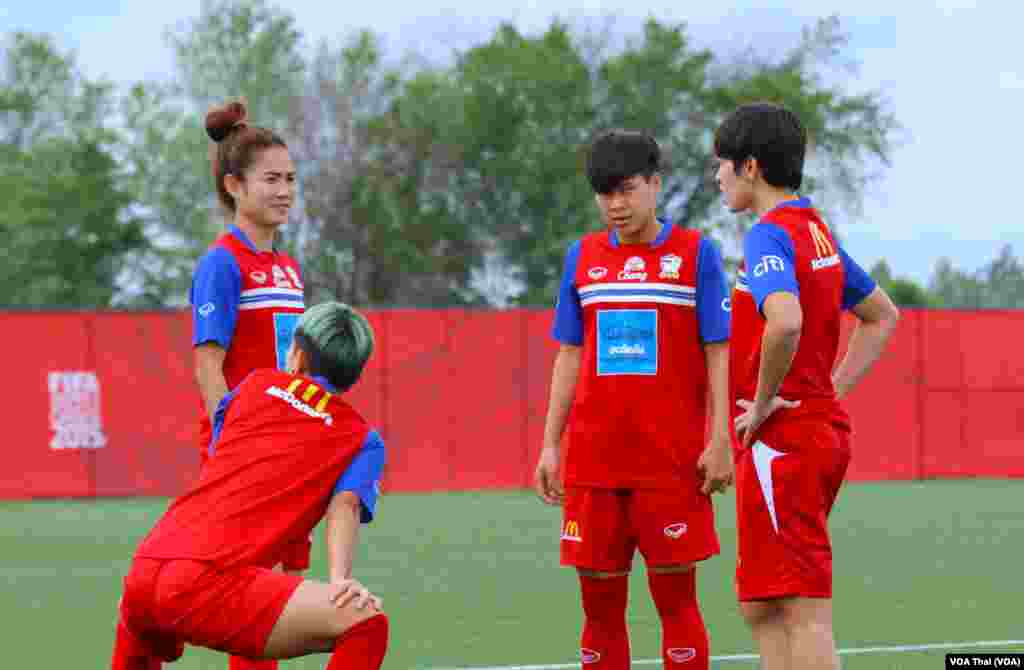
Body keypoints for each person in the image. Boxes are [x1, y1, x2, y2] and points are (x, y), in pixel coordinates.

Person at [535, 129, 734, 670]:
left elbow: (719, 350)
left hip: (670, 465)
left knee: (677, 604)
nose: (615, 205)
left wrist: (720, 438)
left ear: (655, 184)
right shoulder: (582, 256)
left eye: (626, 190)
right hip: (593, 465)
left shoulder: (696, 253)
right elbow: (569, 353)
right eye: (605, 193)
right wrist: (550, 444)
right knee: (599, 612)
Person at [714, 102, 900, 670]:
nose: (716, 176)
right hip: (809, 431)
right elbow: (881, 315)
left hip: (784, 443)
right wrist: (827, 391)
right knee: (762, 604)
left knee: (800, 607)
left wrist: (763, 400)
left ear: (750, 167)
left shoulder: (768, 236)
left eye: (721, 164)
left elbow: (786, 321)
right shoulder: (815, 232)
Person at [111, 302, 389, 670]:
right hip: (204, 584)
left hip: (145, 569)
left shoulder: (255, 385)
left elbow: (223, 454)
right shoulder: (361, 438)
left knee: (142, 614)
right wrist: (340, 581)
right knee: (366, 623)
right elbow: (346, 505)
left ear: (298, 354)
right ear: (354, 374)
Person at [189, 100, 308, 670]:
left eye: (290, 179)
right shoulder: (222, 263)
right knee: (253, 596)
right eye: (271, 179)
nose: (284, 191)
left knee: (287, 590)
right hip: (246, 452)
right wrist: (228, 445)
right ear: (234, 186)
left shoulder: (287, 267)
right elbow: (208, 365)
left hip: (289, 449)